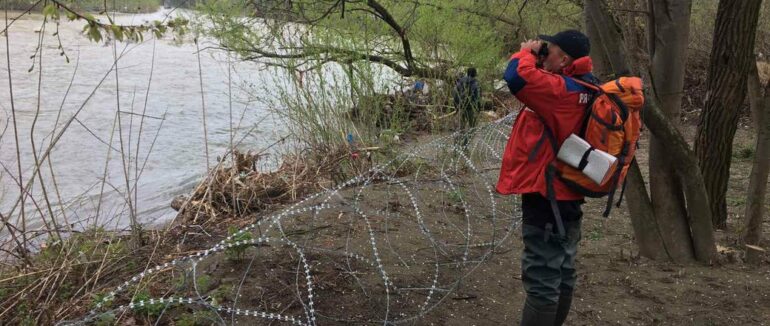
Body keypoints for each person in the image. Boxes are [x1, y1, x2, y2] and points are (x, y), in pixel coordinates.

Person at [496, 30, 595, 326]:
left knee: (542, 274)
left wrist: (526, 51)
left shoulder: (559, 90)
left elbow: (516, 77)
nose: (544, 52)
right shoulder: (585, 85)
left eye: (549, 49)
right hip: (569, 189)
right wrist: (542, 59)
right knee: (562, 269)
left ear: (564, 58)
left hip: (547, 192)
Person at [453, 67, 481, 150]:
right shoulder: (476, 83)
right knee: (472, 127)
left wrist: (456, 107)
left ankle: (456, 146)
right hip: (470, 109)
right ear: (475, 74)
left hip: (461, 108)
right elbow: (478, 98)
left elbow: (455, 94)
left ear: (467, 73)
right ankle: (465, 145)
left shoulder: (460, 81)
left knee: (460, 127)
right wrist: (478, 109)